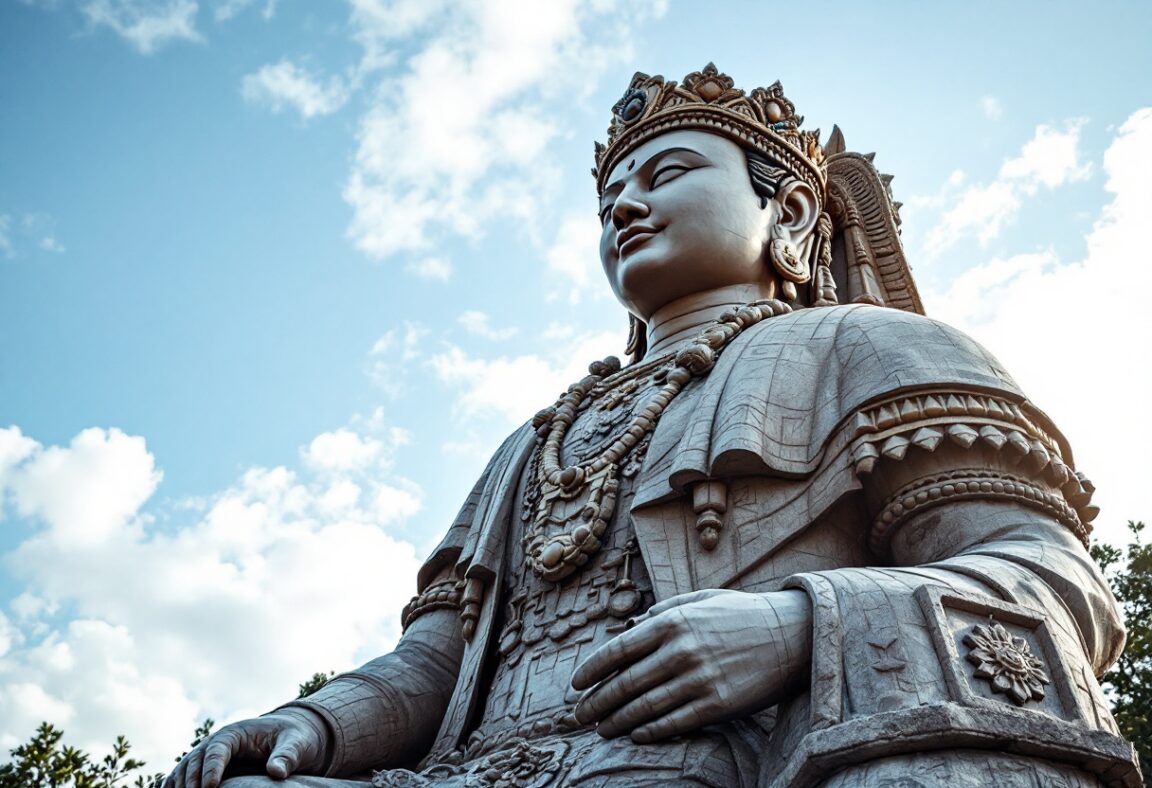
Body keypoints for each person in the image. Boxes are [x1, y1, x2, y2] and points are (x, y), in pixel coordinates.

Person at [165, 64, 1139, 788]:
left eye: (665, 172)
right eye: (607, 200)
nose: (624, 205)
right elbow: (437, 662)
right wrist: (318, 721)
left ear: (790, 209)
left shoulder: (873, 347)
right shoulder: (536, 439)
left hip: (718, 762)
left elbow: (1057, 589)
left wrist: (797, 626)